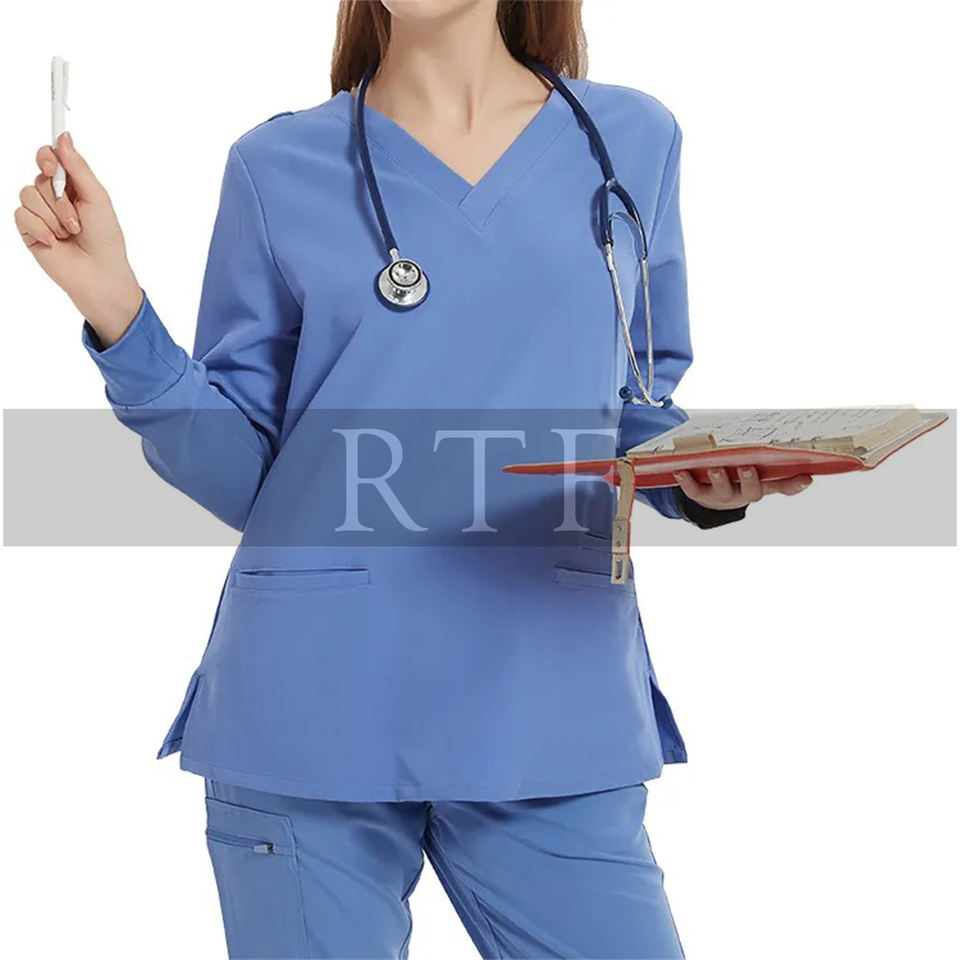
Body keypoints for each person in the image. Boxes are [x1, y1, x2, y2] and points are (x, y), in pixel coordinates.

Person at [14, 2, 812, 957]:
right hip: (315, 707)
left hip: (548, 696)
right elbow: (248, 476)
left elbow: (635, 400)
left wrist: (701, 478)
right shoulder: (277, 167)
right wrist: (117, 311)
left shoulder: (632, 141)